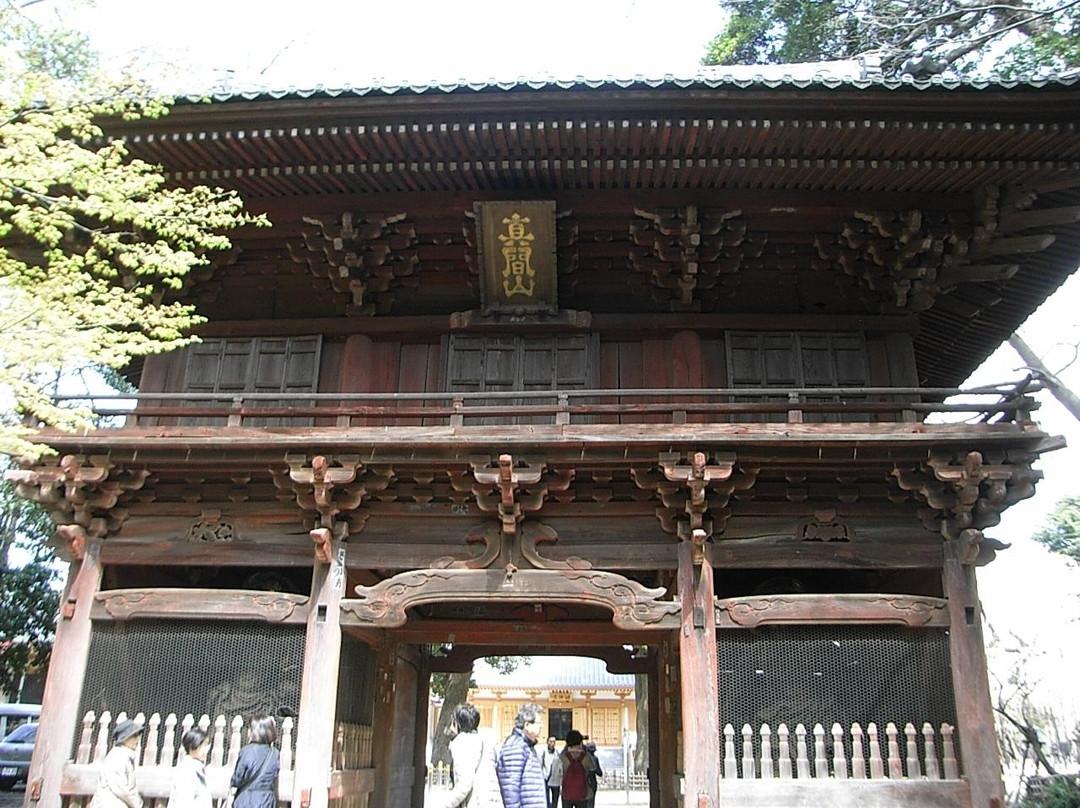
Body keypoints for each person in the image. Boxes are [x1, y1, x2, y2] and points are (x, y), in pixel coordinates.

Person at [438, 703, 502, 808]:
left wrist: (446, 805)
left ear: (457, 723)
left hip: (477, 801)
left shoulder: (462, 742)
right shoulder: (484, 741)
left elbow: (465, 783)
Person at [496, 703, 546, 808]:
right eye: (539, 722)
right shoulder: (516, 746)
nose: (542, 726)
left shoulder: (527, 746)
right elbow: (510, 787)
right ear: (527, 725)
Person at [89, 718, 145, 808]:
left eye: (138, 735)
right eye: (134, 736)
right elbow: (122, 789)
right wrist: (139, 804)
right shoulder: (117, 757)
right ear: (125, 738)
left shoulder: (125, 757)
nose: (137, 739)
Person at [228, 715, 280, 808]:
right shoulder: (275, 753)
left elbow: (237, 779)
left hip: (247, 800)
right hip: (266, 800)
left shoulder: (247, 751)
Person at [167, 726, 212, 808]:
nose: (206, 749)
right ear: (193, 746)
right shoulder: (186, 771)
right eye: (203, 745)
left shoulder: (198, 768)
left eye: (207, 745)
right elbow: (183, 803)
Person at [557, 730, 596, 808]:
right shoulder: (587, 757)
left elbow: (558, 774)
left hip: (566, 793)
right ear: (580, 742)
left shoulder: (562, 757)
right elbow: (593, 773)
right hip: (584, 793)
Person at [539, 737, 561, 808]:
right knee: (546, 798)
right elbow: (540, 765)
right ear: (547, 742)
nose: (552, 743)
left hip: (555, 779)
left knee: (555, 798)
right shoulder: (543, 752)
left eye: (554, 742)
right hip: (546, 778)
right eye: (550, 741)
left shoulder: (557, 753)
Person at [582, 739, 602, 808]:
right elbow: (599, 773)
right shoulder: (595, 759)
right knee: (591, 803)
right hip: (592, 783)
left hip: (583, 783)